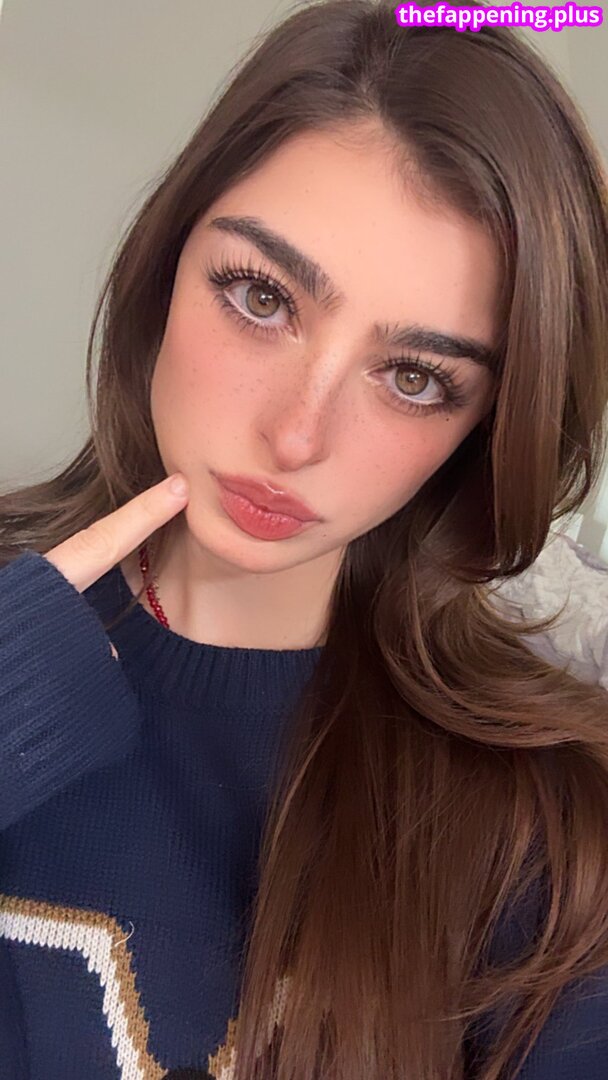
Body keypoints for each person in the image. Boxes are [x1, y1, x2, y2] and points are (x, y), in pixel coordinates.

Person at [1, 0, 607, 1076]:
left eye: (412, 377)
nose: (296, 435)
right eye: (260, 296)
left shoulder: (548, 832)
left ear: (482, 428)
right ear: (165, 263)